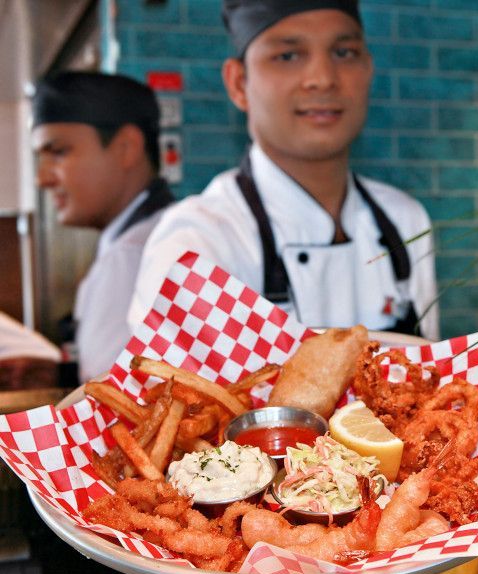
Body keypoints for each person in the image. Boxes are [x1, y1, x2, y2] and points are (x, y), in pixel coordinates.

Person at [128, 0, 439, 340]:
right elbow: (173, 391)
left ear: (369, 69)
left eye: (344, 53)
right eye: (288, 56)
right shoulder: (198, 243)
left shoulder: (405, 220)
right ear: (238, 83)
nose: (322, 79)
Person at [31, 72, 176, 382]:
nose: (42, 179)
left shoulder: (131, 255)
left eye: (58, 152)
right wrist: (61, 374)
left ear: (127, 147)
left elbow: (110, 406)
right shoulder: (159, 230)